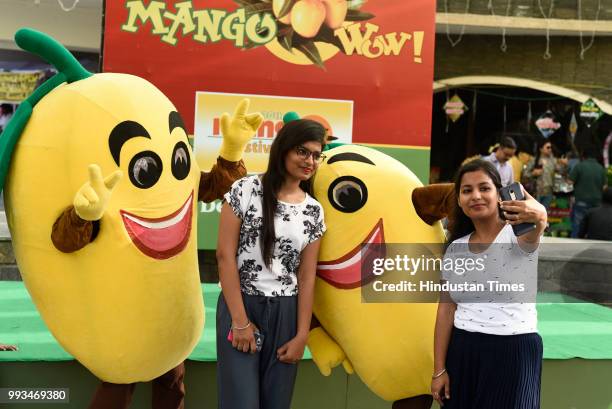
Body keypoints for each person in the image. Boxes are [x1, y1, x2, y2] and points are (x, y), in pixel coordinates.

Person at [215, 119, 326, 409]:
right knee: (241, 403)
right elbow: (224, 256)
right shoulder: (245, 189)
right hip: (241, 306)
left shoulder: (313, 210)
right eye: (303, 151)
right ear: (283, 149)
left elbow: (307, 276)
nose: (310, 161)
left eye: (317, 154)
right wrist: (239, 322)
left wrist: (302, 334)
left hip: (286, 314)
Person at [431, 159, 547, 409]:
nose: (476, 196)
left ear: (499, 193)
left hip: (513, 352)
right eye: (467, 190)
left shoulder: (519, 234)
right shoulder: (455, 249)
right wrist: (439, 370)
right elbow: (446, 309)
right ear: (459, 200)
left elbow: (538, 222)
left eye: (484, 188)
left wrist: (540, 215)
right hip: (463, 351)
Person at [569, 146, 607, 238]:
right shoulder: (601, 168)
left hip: (581, 200)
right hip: (597, 203)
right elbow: (604, 187)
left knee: (578, 226)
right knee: (594, 226)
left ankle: (573, 248)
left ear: (583, 155)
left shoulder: (579, 166)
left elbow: (570, 183)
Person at [523, 140, 567, 209]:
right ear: (541, 149)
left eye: (551, 147)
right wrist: (533, 173)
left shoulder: (553, 161)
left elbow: (561, 172)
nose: (550, 149)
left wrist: (564, 165)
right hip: (536, 192)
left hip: (549, 193)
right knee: (535, 214)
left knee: (544, 214)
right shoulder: (534, 160)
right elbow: (525, 175)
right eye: (548, 147)